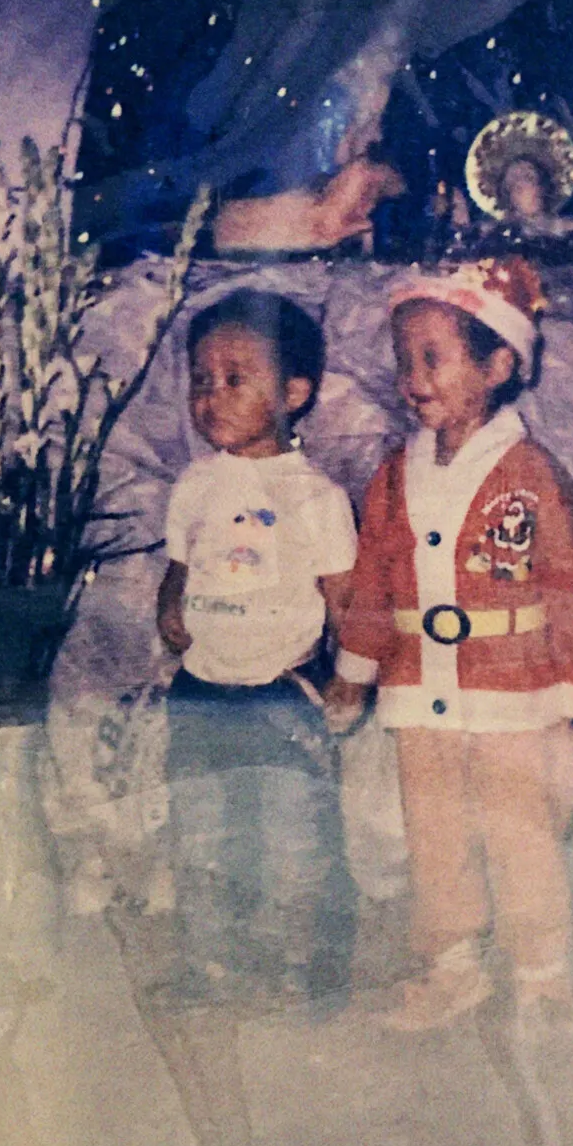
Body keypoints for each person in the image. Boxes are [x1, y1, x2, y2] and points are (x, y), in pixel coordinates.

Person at [323, 256, 573, 1031]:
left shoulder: (530, 473)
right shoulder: (396, 476)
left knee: (522, 839)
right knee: (436, 838)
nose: (413, 378)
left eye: (433, 358)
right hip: (419, 689)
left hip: (515, 693)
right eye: (404, 361)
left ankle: (542, 976)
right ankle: (453, 968)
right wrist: (354, 671)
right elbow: (375, 580)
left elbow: (569, 585)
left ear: (498, 365)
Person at [157, 289, 358, 1005]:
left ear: (294, 394)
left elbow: (345, 597)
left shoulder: (315, 496)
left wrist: (352, 676)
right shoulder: (195, 485)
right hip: (201, 687)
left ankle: (302, 964)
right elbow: (181, 562)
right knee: (201, 830)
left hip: (283, 688)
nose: (211, 396)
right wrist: (170, 603)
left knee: (293, 830)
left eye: (235, 379)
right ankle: (210, 961)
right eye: (201, 380)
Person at [449, 111, 573, 264]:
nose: (522, 184)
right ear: (507, 192)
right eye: (515, 180)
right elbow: (465, 251)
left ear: (541, 186)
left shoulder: (561, 226)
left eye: (528, 177)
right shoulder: (494, 232)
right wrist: (461, 224)